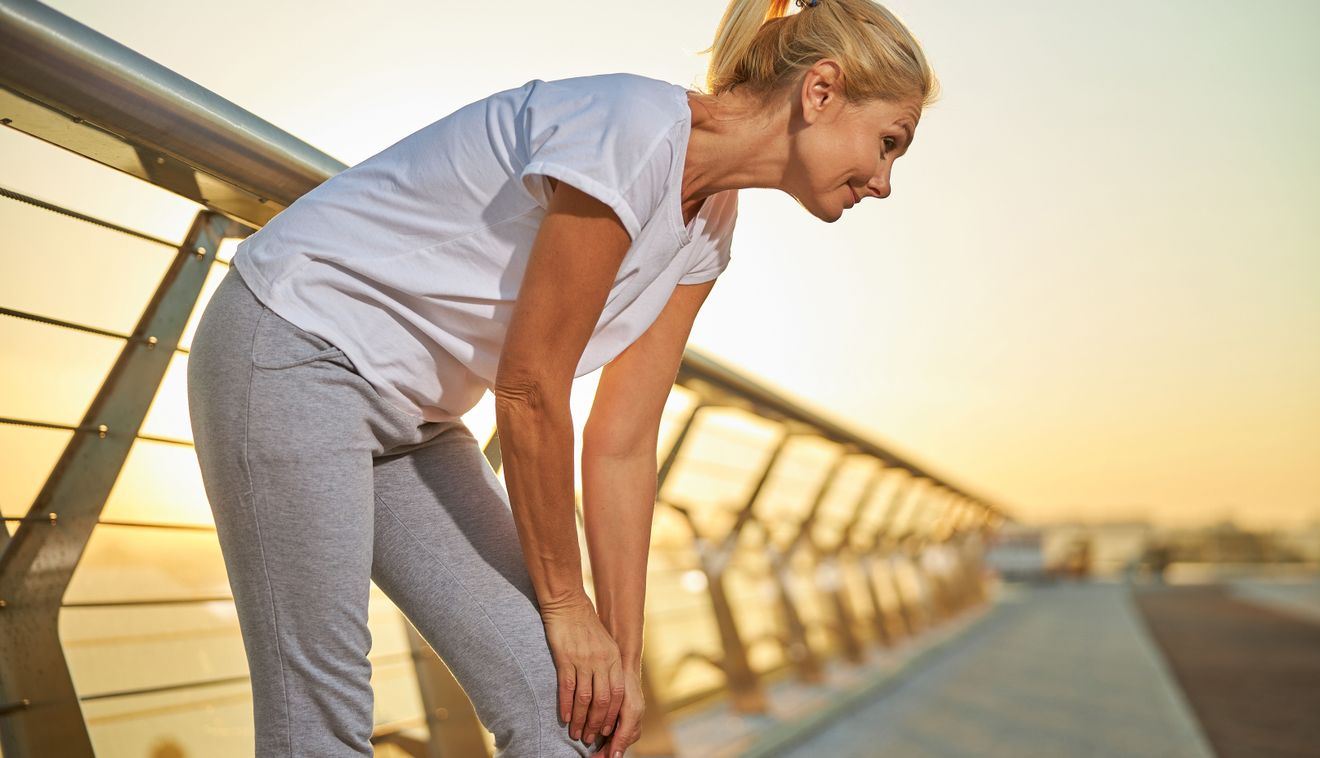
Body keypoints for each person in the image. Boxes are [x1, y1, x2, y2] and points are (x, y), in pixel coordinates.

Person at [185, 0, 938, 755]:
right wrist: (564, 603)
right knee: (321, 727)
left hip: (416, 425)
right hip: (294, 350)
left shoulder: (711, 226)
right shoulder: (634, 129)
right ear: (821, 91)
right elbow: (530, 387)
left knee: (570, 718)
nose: (883, 181)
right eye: (887, 143)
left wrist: (620, 654)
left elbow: (622, 442)